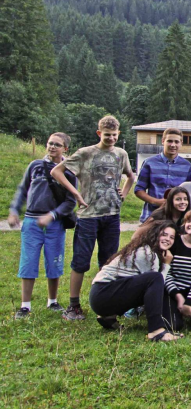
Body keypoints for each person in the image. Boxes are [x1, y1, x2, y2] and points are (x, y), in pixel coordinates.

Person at [50, 115, 135, 321]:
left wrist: (124, 191)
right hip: (88, 216)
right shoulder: (86, 153)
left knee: (108, 262)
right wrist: (76, 194)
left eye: (115, 135)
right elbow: (57, 171)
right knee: (81, 261)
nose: (111, 139)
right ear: (99, 133)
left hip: (112, 216)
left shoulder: (121, 154)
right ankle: (74, 306)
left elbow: (131, 176)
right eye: (107, 135)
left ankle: (107, 304)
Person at [9, 132, 77, 319]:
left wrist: (53, 215)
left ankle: (52, 301)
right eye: (50, 143)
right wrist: (14, 210)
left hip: (54, 224)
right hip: (31, 221)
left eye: (57, 144)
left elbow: (71, 201)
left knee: (54, 262)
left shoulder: (69, 171)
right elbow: (22, 189)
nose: (52, 147)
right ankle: (25, 306)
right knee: (28, 261)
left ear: (65, 148)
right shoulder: (35, 166)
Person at [89, 220, 182, 342]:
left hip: (101, 296)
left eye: (172, 237)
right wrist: (166, 265)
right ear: (154, 234)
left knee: (153, 279)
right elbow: (157, 285)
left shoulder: (150, 251)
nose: (168, 239)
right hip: (102, 294)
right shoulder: (147, 253)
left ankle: (108, 317)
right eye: (164, 234)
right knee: (155, 278)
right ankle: (156, 332)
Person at [134, 127, 191, 222]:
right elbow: (139, 190)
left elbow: (186, 192)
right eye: (169, 141)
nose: (173, 145)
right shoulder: (149, 163)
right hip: (151, 216)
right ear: (163, 141)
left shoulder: (186, 166)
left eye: (176, 142)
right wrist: (156, 201)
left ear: (181, 143)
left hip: (175, 218)